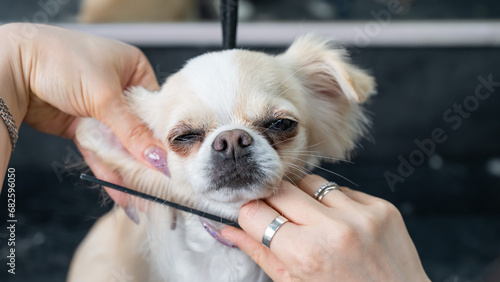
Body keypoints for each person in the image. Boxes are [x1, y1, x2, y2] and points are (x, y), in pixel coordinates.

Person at [0, 23, 429, 281]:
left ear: (326, 111)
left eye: (278, 126)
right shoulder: (111, 262)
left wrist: (16, 62)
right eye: (187, 137)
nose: (231, 146)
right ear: (138, 149)